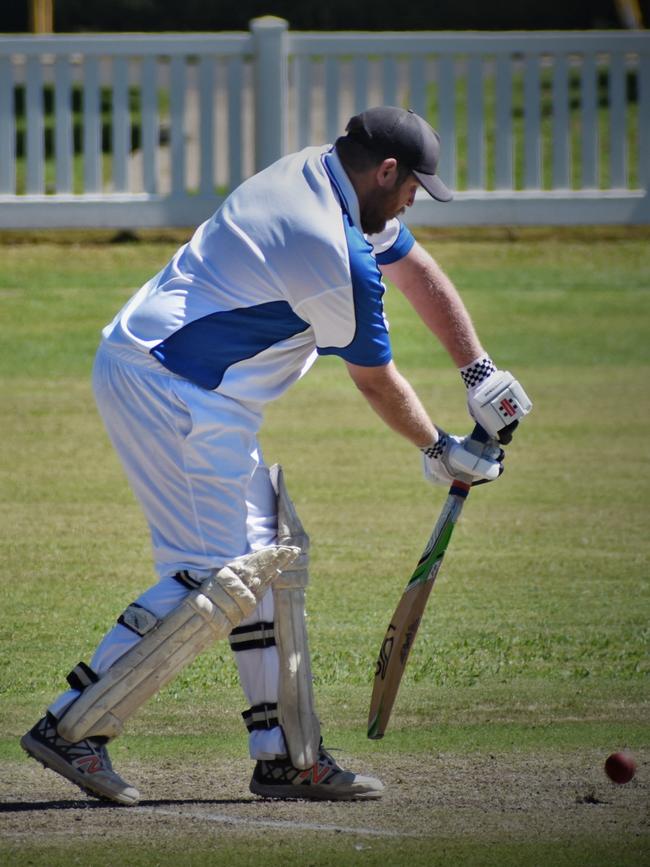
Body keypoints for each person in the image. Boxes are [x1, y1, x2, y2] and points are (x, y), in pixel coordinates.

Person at [21, 106, 530, 806]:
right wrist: (440, 449)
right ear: (386, 171)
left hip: (187, 385)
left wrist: (480, 372)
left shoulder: (318, 171)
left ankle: (289, 757)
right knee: (222, 576)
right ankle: (71, 725)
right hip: (173, 389)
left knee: (273, 559)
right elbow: (375, 379)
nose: (416, 198)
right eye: (415, 184)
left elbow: (408, 261)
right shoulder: (327, 244)